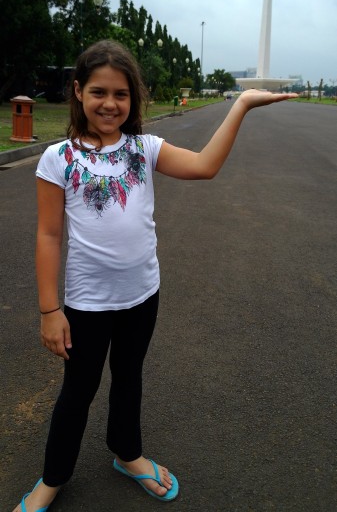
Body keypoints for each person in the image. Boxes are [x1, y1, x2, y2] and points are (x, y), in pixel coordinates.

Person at [13, 40, 298, 512]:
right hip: (86, 304)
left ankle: (128, 454)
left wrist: (242, 104)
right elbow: (48, 236)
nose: (110, 103)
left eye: (121, 94)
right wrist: (49, 310)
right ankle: (53, 476)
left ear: (134, 99)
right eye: (99, 92)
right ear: (79, 91)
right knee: (77, 391)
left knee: (129, 377)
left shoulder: (145, 148)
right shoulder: (57, 158)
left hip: (142, 295)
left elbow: (205, 167)